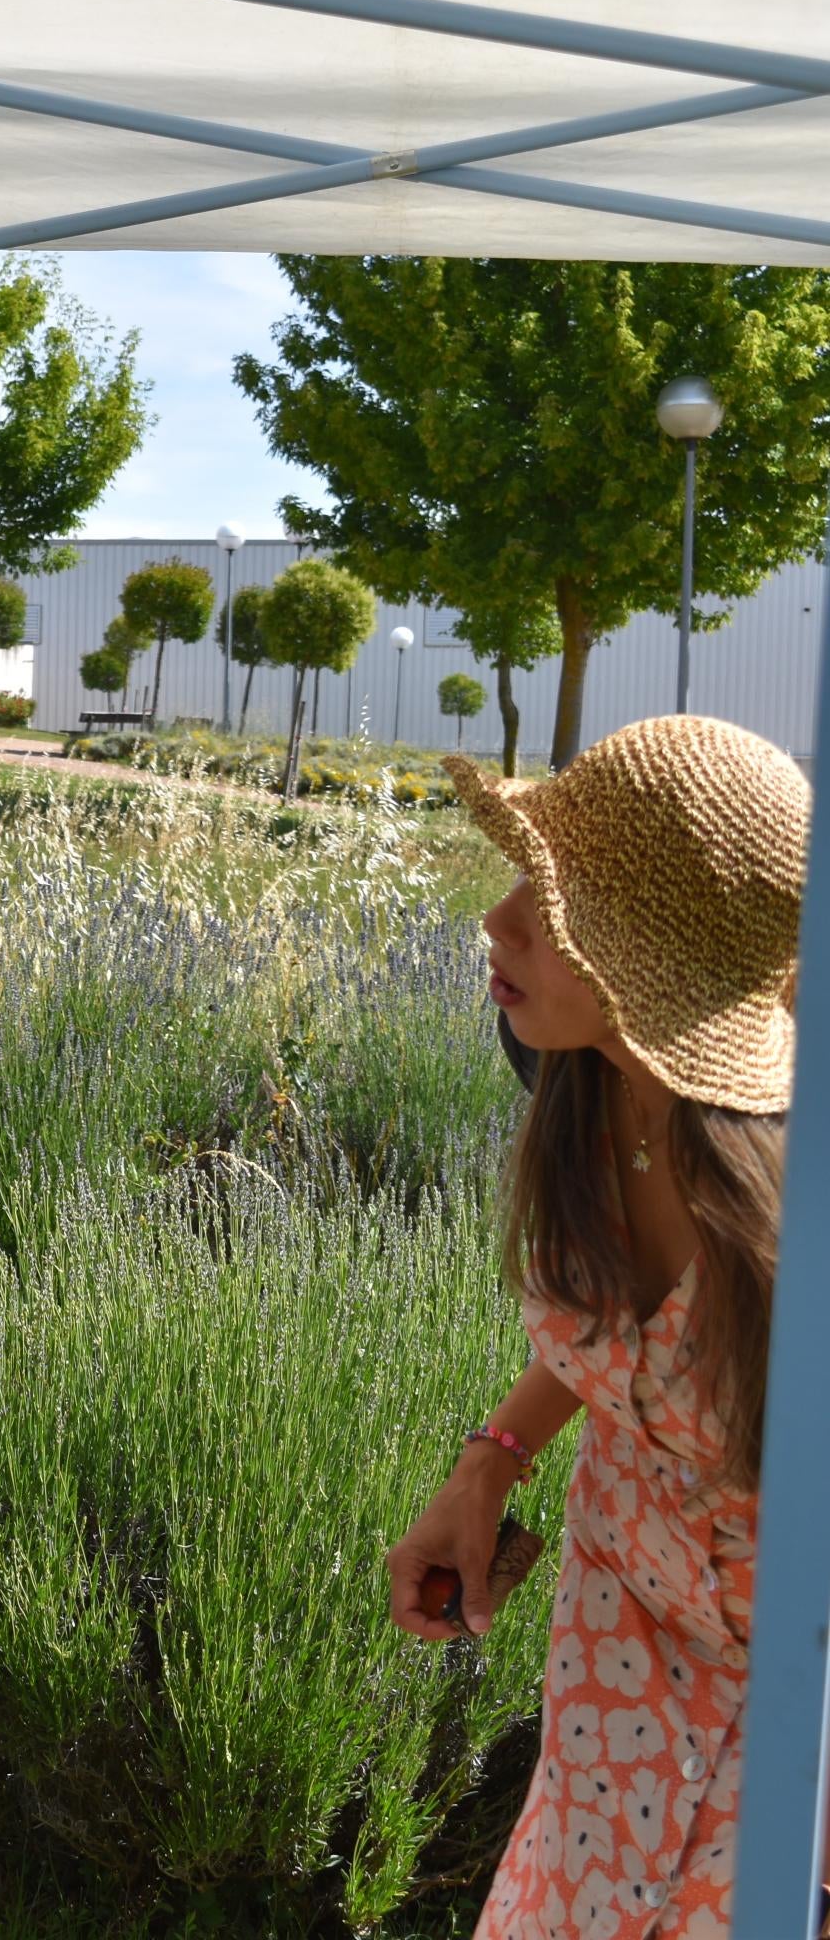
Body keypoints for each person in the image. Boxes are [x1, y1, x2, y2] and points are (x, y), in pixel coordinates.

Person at [384, 715, 804, 1940]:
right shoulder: (571, 1072)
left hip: (787, 1700)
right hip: (616, 1641)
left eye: (560, 908)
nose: (500, 922)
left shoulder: (795, 1219)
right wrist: (489, 1462)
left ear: (655, 964)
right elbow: (618, 1336)